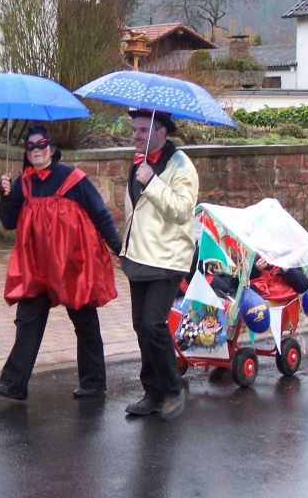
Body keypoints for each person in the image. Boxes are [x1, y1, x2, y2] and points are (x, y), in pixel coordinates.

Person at [0, 125, 122, 401]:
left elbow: (100, 214)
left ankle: (94, 383)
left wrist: (120, 248)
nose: (36, 150)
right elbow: (9, 222)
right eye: (30, 146)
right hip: (36, 265)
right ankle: (13, 383)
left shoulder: (73, 179)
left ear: (51, 147)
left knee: (84, 320)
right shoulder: (22, 184)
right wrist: (5, 197)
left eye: (41, 144)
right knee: (28, 320)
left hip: (72, 262)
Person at [121, 109, 199, 421]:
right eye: (134, 130)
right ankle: (152, 392)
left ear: (162, 131)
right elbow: (136, 209)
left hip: (169, 257)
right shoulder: (139, 160)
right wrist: (125, 246)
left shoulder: (181, 166)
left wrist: (152, 182)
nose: (136, 136)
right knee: (141, 325)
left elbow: (182, 210)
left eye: (143, 130)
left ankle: (172, 388)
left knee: (154, 324)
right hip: (139, 255)